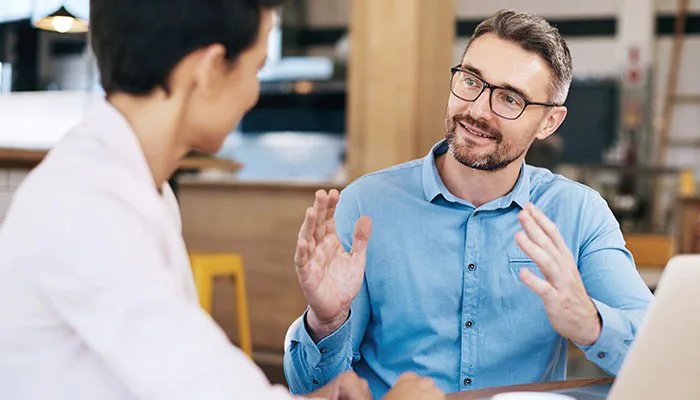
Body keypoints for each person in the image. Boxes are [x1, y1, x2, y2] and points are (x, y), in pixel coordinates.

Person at [0, 1, 442, 399]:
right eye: (255, 68)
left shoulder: (131, 185)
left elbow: (178, 375)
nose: (252, 93)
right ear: (210, 68)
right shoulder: (90, 207)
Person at [284, 9, 654, 398]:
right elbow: (309, 389)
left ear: (549, 122)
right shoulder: (366, 206)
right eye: (471, 80)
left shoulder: (579, 214)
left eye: (510, 99)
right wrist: (325, 322)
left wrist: (591, 325)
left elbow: (658, 348)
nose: (477, 110)